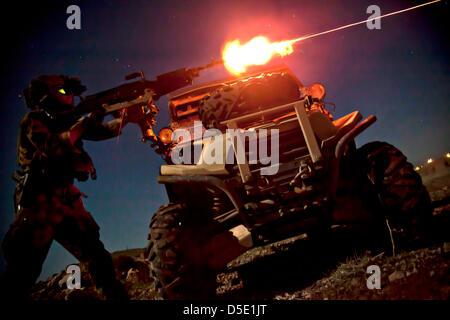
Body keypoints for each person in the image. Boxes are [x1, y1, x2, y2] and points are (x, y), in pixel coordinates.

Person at [0, 74, 135, 300]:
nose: (70, 96)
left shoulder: (67, 121)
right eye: (63, 91)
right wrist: (87, 121)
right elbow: (54, 145)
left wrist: (127, 115)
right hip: (39, 202)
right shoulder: (33, 121)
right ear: (45, 95)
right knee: (23, 269)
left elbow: (104, 131)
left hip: (66, 201)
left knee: (97, 258)